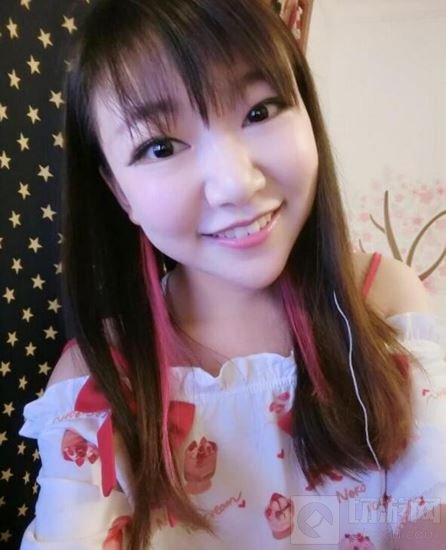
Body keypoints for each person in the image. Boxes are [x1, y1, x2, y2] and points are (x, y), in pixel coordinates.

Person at [19, 0, 446, 548]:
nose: (237, 184)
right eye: (160, 147)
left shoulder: (384, 303)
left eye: (260, 111)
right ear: (119, 192)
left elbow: (432, 504)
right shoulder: (93, 385)